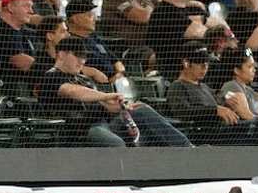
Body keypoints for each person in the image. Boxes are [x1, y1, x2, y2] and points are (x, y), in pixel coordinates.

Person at [38, 37, 191, 147]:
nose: (82, 60)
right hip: (77, 129)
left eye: (84, 56)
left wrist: (122, 107)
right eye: (77, 55)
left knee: (141, 109)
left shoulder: (83, 79)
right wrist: (106, 95)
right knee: (115, 143)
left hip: (103, 122)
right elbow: (72, 91)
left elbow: (105, 106)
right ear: (61, 54)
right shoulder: (52, 76)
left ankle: (187, 148)